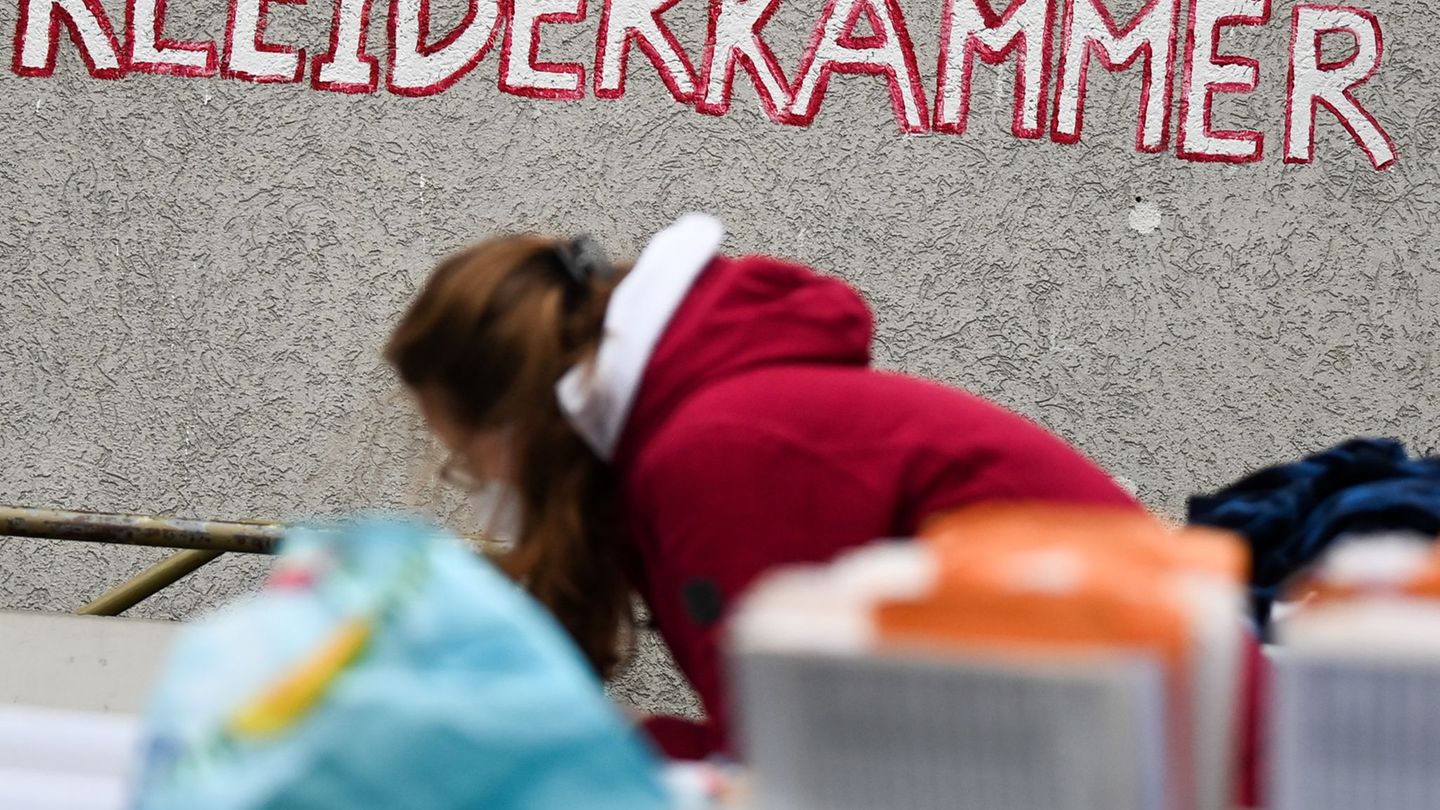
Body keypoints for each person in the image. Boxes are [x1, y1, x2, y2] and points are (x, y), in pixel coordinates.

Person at [384, 212, 1141, 761]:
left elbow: (791, 774)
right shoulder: (704, 435)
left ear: (522, 417)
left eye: (467, 455)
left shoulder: (717, 454)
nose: (475, 482)